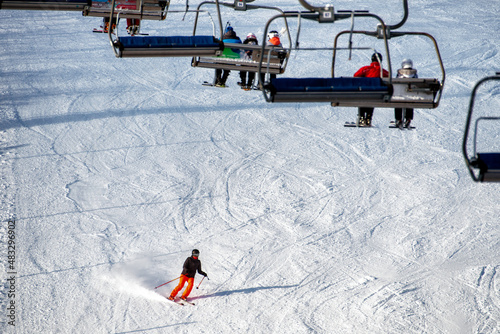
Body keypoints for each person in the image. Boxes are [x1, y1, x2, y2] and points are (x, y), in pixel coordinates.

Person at [353, 52, 389, 127]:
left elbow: (356, 76)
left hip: (364, 93)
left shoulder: (366, 69)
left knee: (363, 98)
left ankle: (362, 117)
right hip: (377, 94)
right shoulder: (383, 71)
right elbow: (389, 77)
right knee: (372, 98)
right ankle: (368, 118)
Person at [394, 58, 418, 128]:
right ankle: (408, 118)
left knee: (398, 101)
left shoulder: (400, 73)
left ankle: (398, 119)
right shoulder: (414, 74)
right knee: (410, 100)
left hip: (401, 94)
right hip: (411, 95)